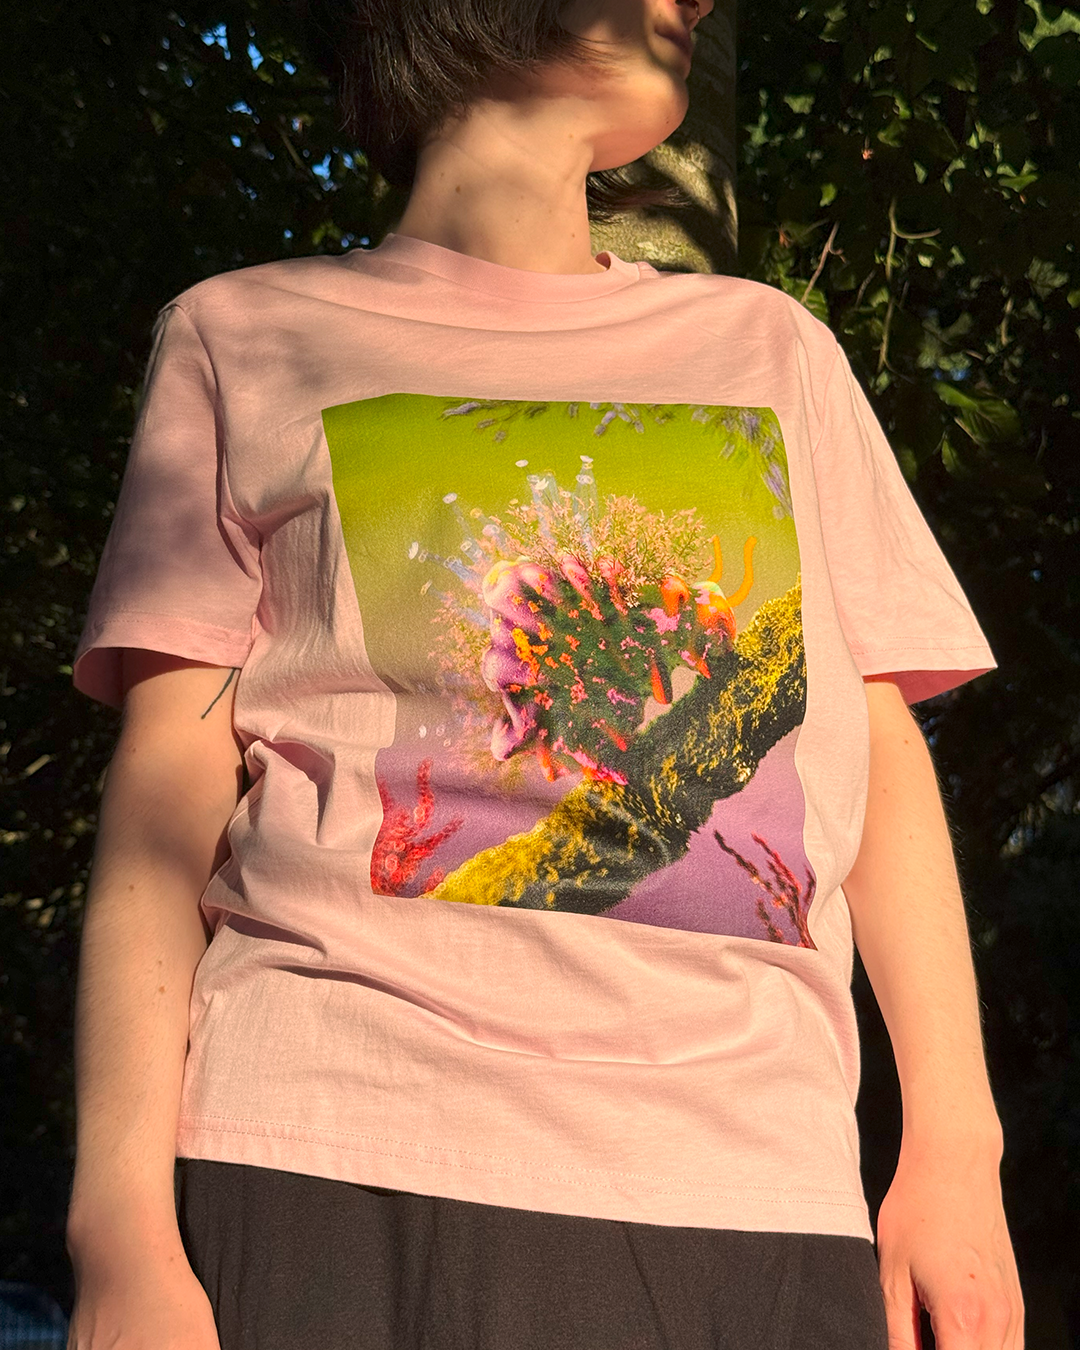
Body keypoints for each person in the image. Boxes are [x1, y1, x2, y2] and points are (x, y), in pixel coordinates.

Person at [64, 1, 1025, 1347]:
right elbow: (167, 788)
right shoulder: (245, 336)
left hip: (748, 1181)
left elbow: (876, 757)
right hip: (332, 1147)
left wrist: (955, 1155)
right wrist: (118, 1232)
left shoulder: (772, 351)